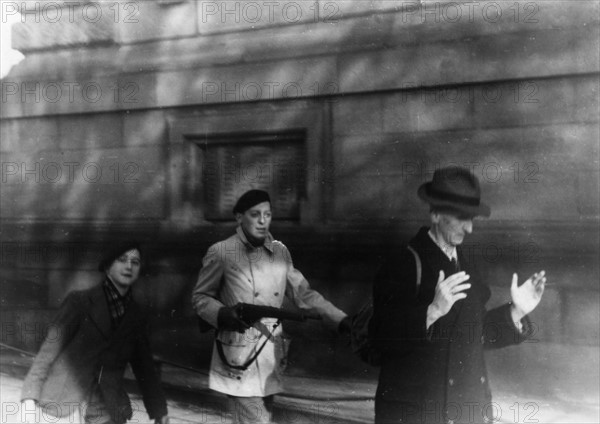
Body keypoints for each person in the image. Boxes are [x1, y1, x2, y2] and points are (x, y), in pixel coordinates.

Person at [371, 166, 546, 424]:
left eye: (472, 218)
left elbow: (476, 334)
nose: (470, 228)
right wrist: (431, 312)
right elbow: (378, 341)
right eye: (462, 217)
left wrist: (515, 311)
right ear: (435, 213)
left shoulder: (466, 264)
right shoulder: (403, 263)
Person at [192, 189, 350, 424]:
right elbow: (200, 297)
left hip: (270, 354)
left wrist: (341, 320)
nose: (263, 221)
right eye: (255, 214)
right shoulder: (221, 252)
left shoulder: (279, 251)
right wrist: (223, 313)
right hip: (238, 355)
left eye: (268, 214)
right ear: (239, 217)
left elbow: (304, 294)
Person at [21, 242, 169, 424]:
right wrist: (30, 397)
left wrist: (159, 411)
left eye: (135, 262)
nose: (129, 266)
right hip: (64, 405)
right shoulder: (79, 302)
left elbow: (145, 368)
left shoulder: (136, 316)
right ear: (107, 266)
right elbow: (48, 351)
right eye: (122, 260)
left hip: (108, 408)